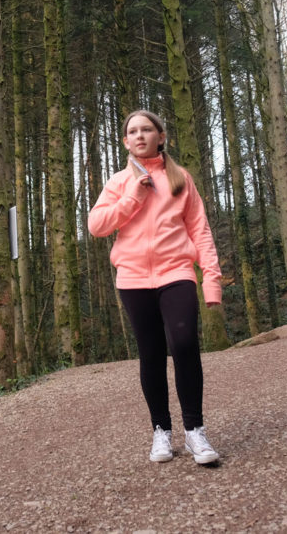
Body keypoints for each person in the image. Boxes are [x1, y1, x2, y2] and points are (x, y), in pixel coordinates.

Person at [87, 110, 223, 465]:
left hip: (177, 272)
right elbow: (97, 226)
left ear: (161, 136)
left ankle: (195, 431)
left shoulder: (180, 179)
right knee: (151, 354)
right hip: (133, 279)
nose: (140, 135)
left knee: (185, 344)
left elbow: (200, 231)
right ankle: (161, 430)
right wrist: (133, 194)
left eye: (147, 129)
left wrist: (211, 281)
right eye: (133, 131)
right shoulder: (119, 182)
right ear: (125, 141)